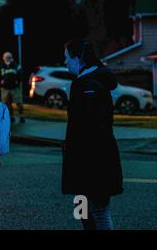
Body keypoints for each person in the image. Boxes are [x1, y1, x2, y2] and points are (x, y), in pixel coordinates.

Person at [62, 39, 123, 230]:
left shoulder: (89, 85)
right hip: (86, 159)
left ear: (78, 59)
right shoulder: (86, 82)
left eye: (67, 58)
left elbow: (92, 126)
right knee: (81, 206)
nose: (65, 62)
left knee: (98, 210)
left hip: (93, 160)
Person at [0, 52, 24, 123]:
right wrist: (0, 81)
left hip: (15, 88)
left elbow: (21, 75)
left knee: (19, 102)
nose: (8, 59)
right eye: (6, 57)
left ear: (12, 58)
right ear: (3, 58)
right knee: (7, 103)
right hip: (5, 88)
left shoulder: (16, 66)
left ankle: (22, 116)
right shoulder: (0, 67)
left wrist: (17, 81)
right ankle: (11, 117)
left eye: (9, 57)